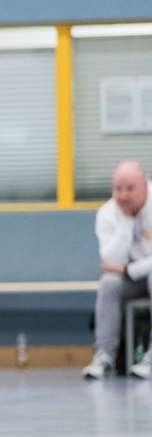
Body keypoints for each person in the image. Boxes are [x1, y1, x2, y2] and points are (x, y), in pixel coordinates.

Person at [86, 161, 152, 380]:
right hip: (129, 279)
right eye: (117, 189)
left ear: (144, 184)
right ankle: (105, 357)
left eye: (130, 188)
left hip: (140, 272)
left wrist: (128, 269)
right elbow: (109, 259)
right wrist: (126, 222)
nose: (123, 195)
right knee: (109, 283)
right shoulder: (107, 214)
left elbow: (117, 265)